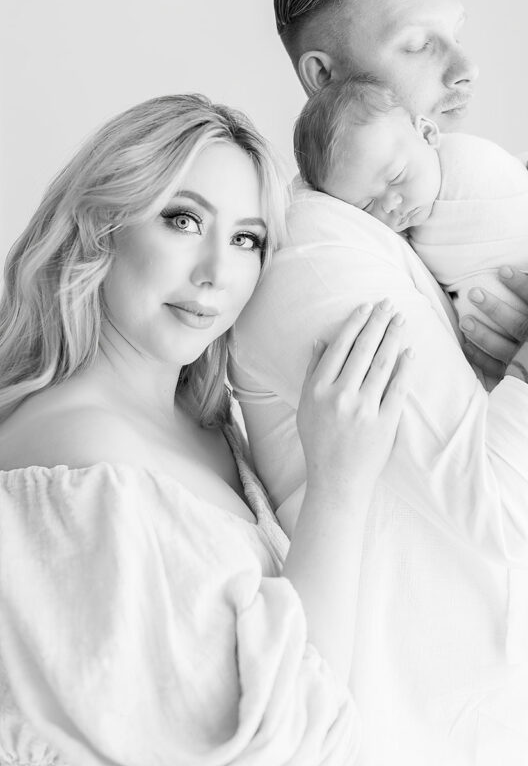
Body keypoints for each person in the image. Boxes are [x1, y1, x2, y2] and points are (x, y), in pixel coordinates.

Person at [228, 0, 528, 765]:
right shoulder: (318, 258)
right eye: (419, 44)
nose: (463, 73)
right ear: (321, 77)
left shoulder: (423, 238)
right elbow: (505, 505)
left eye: (456, 37)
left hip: (512, 726)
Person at [0, 92, 415, 764]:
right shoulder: (76, 460)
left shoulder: (212, 431)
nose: (216, 274)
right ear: (100, 225)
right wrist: (339, 482)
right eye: (182, 220)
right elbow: (286, 736)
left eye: (246, 239)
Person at [293, 72, 528, 360]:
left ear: (426, 134)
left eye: (396, 176)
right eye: (366, 206)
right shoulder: (385, 243)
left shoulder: (469, 163)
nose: (390, 204)